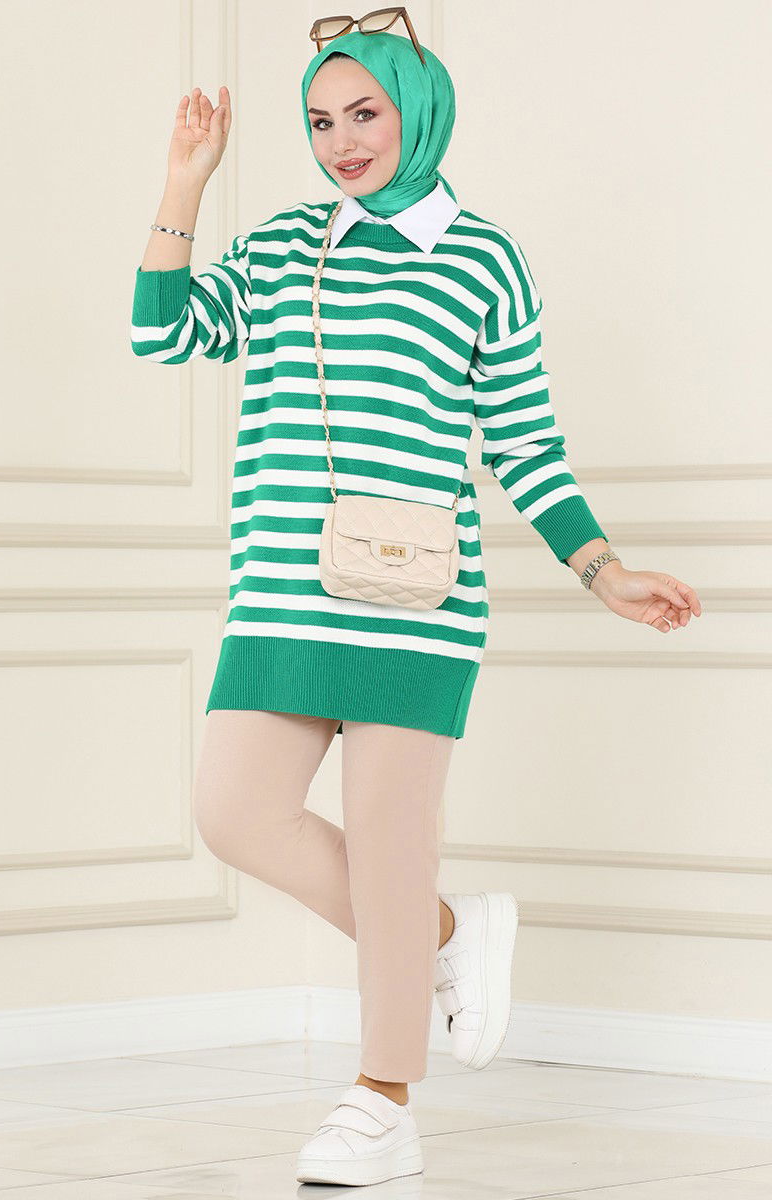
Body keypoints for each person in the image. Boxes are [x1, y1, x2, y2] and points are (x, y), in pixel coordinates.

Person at [130, 18, 702, 1188]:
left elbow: (524, 444)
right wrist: (185, 182)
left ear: (418, 111)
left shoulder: (482, 260)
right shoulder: (284, 245)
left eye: (365, 114)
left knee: (392, 848)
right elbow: (162, 332)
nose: (341, 141)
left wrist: (601, 570)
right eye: (319, 121)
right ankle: (443, 934)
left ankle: (382, 1100)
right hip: (279, 596)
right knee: (234, 814)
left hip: (415, 603)